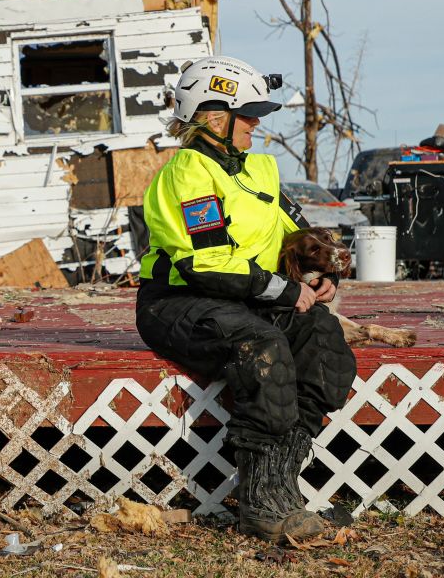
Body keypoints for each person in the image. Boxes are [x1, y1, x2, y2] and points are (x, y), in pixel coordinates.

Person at [135, 56, 357, 542]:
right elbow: (208, 263)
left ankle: (277, 486)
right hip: (178, 302)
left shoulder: (260, 169)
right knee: (264, 347)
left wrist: (322, 273)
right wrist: (286, 290)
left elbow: (293, 233)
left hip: (244, 298)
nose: (257, 124)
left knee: (323, 339)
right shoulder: (187, 173)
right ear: (215, 118)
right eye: (249, 114)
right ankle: (261, 505)